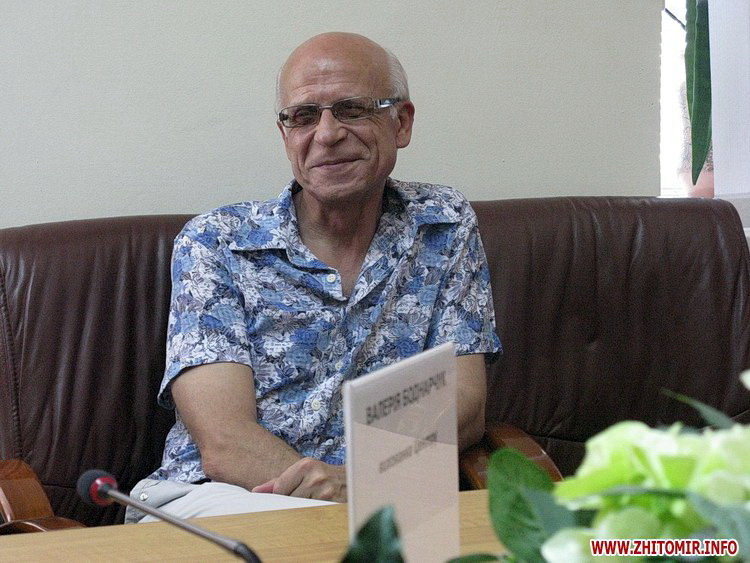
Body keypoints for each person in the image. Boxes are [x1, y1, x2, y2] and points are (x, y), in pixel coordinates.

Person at [126, 31, 501, 523]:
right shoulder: (216, 242)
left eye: (351, 109)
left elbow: (464, 404)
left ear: (402, 122)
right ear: (286, 135)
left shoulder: (444, 223)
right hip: (221, 499)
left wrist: (362, 486)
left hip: (383, 502)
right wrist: (341, 499)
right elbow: (224, 443)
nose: (326, 134)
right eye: (303, 116)